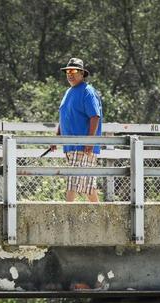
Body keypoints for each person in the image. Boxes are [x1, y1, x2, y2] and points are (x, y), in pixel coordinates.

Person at [50, 57, 103, 202]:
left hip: (83, 146)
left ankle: (67, 217)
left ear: (82, 73)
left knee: (72, 182)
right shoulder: (69, 92)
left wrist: (90, 141)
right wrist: (56, 138)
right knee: (88, 187)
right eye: (67, 71)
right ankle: (101, 219)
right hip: (70, 146)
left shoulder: (87, 91)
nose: (69, 74)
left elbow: (95, 116)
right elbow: (65, 116)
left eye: (73, 71)